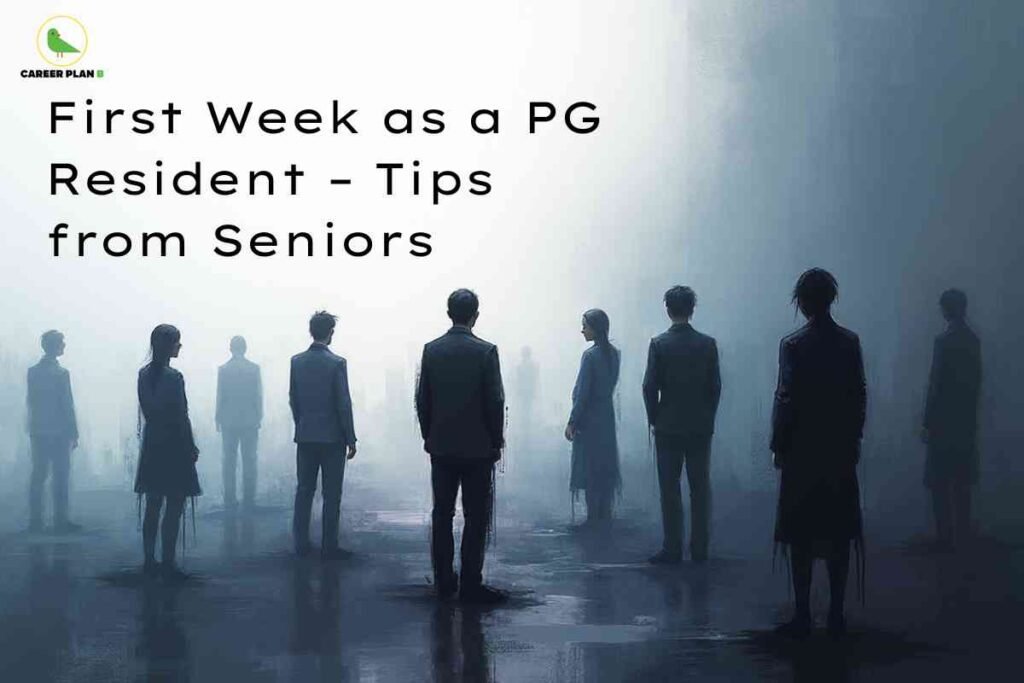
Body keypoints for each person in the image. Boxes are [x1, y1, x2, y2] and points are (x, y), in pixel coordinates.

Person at [770, 268, 866, 638]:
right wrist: (854, 438)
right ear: (831, 299)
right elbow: (858, 395)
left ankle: (804, 613)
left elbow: (786, 398)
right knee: (839, 532)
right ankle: (836, 612)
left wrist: (779, 444)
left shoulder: (792, 345)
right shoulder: (849, 342)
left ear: (802, 302)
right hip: (838, 448)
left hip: (802, 450)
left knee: (801, 533)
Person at [416, 289, 506, 604]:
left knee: (442, 513)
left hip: (441, 446)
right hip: (478, 448)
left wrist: (430, 435)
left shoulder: (432, 350)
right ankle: (470, 582)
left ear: (448, 313)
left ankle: (443, 580)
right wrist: (496, 440)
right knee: (476, 516)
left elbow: (423, 400)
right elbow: (495, 401)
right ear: (475, 315)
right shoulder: (486, 351)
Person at [643, 286, 721, 564]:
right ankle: (700, 548)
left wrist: (654, 418)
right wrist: (708, 417)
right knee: (700, 487)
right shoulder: (707, 344)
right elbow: (715, 387)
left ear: (668, 310)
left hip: (668, 426)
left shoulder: (658, 344)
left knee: (669, 488)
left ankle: (673, 547)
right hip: (700, 426)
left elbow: (649, 387)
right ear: (692, 309)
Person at [135, 324, 201, 580]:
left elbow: (149, 411)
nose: (180, 346)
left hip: (153, 443)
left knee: (153, 504)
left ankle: (149, 559)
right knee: (174, 504)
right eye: (177, 342)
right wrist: (190, 446)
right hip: (174, 445)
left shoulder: (143, 375)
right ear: (169, 346)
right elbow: (182, 416)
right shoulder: (174, 377)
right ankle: (168, 561)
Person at [289, 311, 357, 560]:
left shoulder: (296, 362)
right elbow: (343, 403)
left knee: (304, 491)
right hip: (332, 438)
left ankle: (300, 544)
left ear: (311, 331)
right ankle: (329, 545)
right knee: (331, 494)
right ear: (331, 333)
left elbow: (293, 398)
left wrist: (301, 423)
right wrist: (350, 437)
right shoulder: (337, 363)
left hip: (306, 435)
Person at [921, 289, 981, 550]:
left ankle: (944, 536)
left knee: (940, 482)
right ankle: (963, 535)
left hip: (943, 422)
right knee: (962, 482)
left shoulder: (943, 342)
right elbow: (976, 383)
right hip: (964, 421)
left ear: (948, 309)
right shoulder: (973, 341)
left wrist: (927, 421)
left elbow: (936, 384)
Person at [565, 309, 621, 526]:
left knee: (589, 465)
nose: (582, 330)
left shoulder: (589, 356)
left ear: (595, 329)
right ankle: (604, 513)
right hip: (606, 415)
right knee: (605, 463)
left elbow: (583, 393)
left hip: (589, 419)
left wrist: (572, 421)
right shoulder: (614, 354)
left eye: (585, 326)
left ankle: (593, 516)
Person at [26, 329, 80, 533]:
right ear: (55, 346)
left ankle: (36, 521)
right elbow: (67, 405)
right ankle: (60, 520)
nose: (64, 345)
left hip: (39, 430)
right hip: (59, 432)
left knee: (39, 475)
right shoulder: (61, 373)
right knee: (60, 476)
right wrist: (74, 432)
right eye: (62, 342)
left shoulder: (33, 372)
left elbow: (32, 402)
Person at [216, 335, 263, 511]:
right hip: (250, 421)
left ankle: (230, 498)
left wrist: (218, 418)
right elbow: (258, 396)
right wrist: (258, 417)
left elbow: (220, 396)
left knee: (229, 461)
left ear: (231, 348)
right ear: (245, 348)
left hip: (229, 421)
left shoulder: (224, 370)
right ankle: (249, 498)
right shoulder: (254, 369)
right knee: (249, 460)